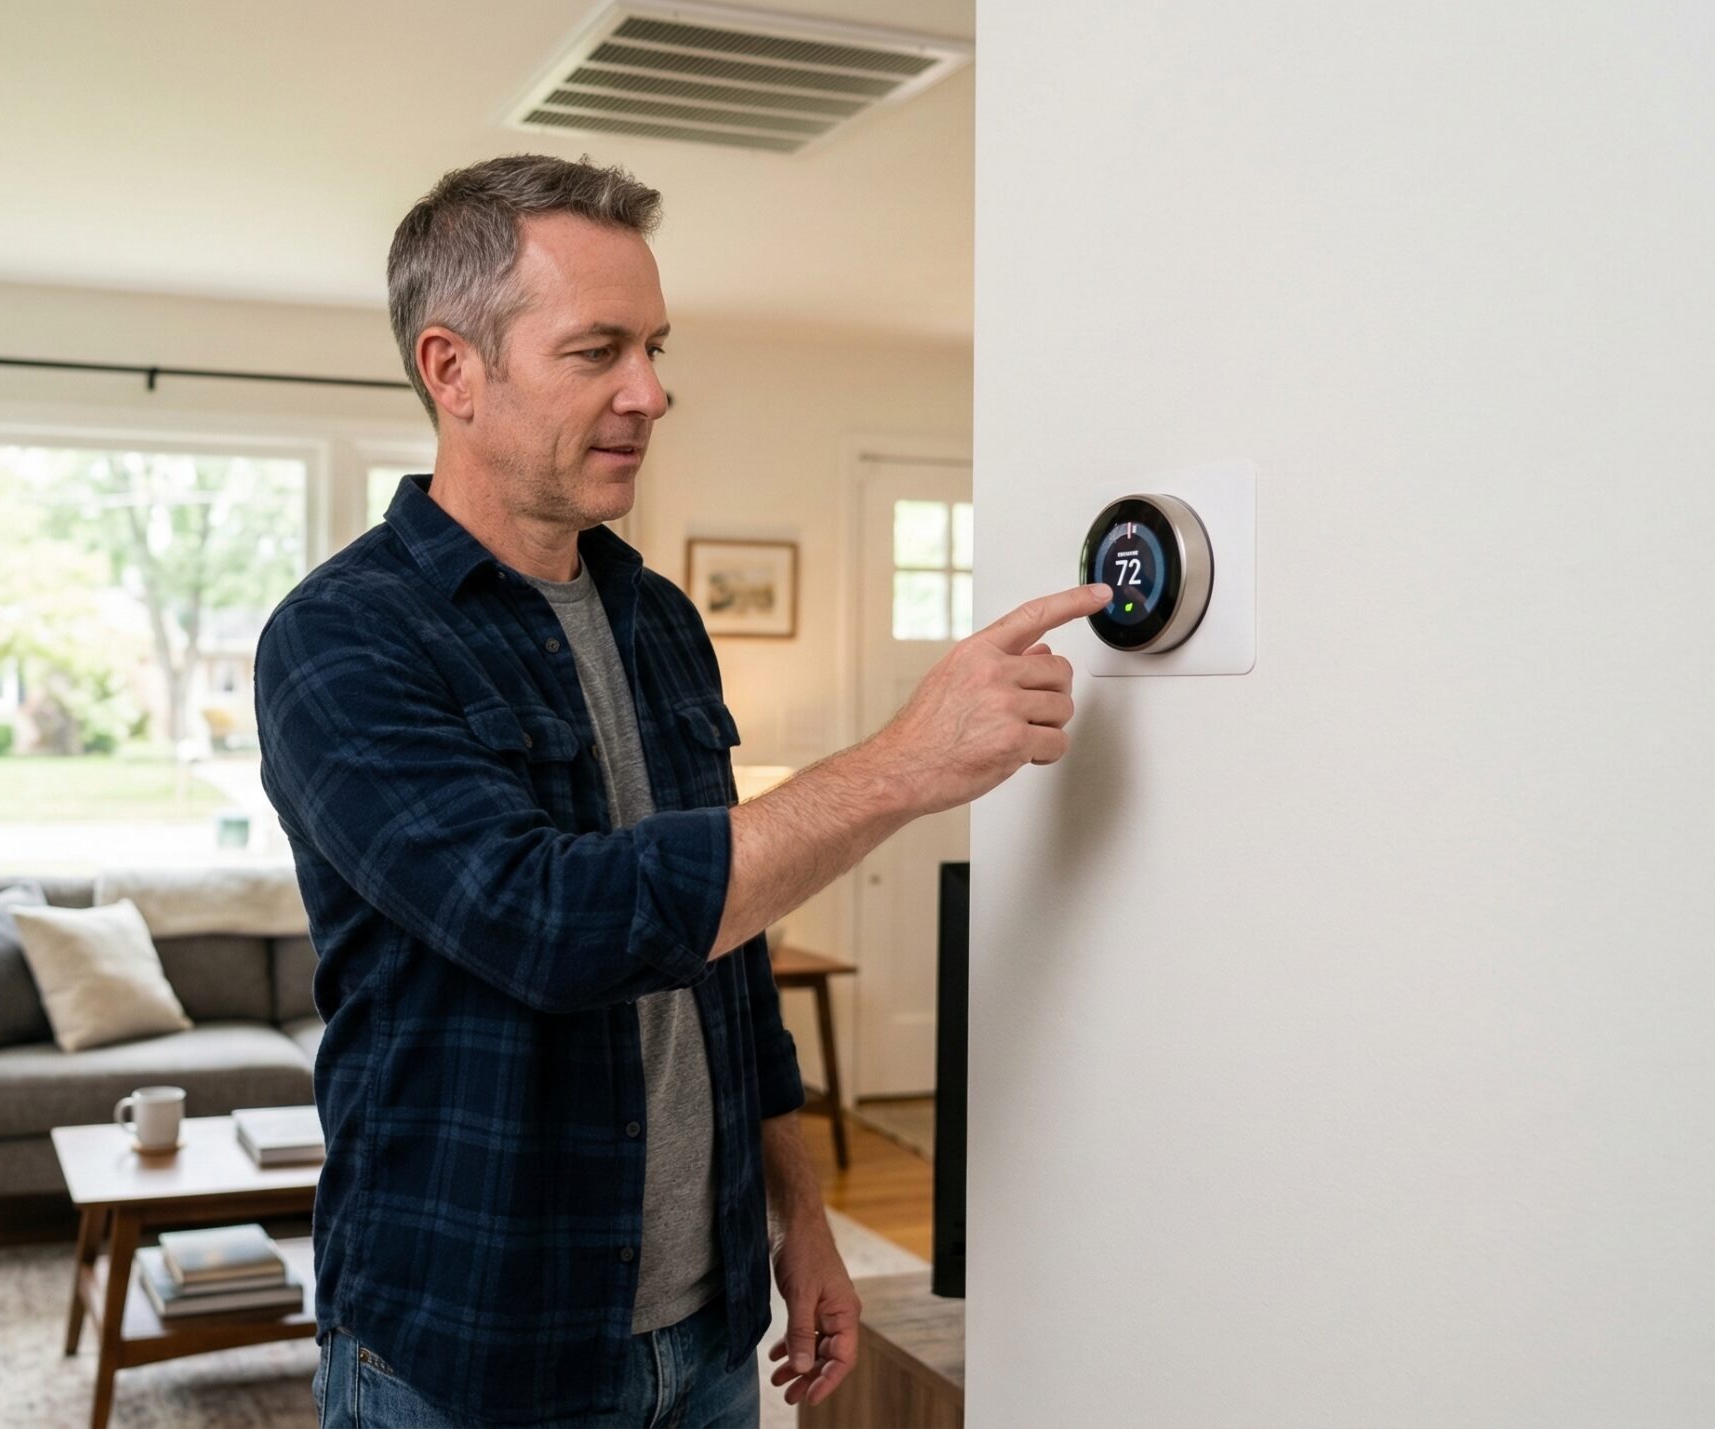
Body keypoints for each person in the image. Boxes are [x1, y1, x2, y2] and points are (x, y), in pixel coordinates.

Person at [255, 153, 1108, 1429]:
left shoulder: (656, 618)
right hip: (473, 1344)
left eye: (652, 348)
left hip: (706, 1339)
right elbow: (552, 924)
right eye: (596, 350)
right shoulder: (341, 638)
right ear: (452, 370)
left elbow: (729, 961)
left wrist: (800, 1213)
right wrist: (904, 761)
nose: (649, 393)